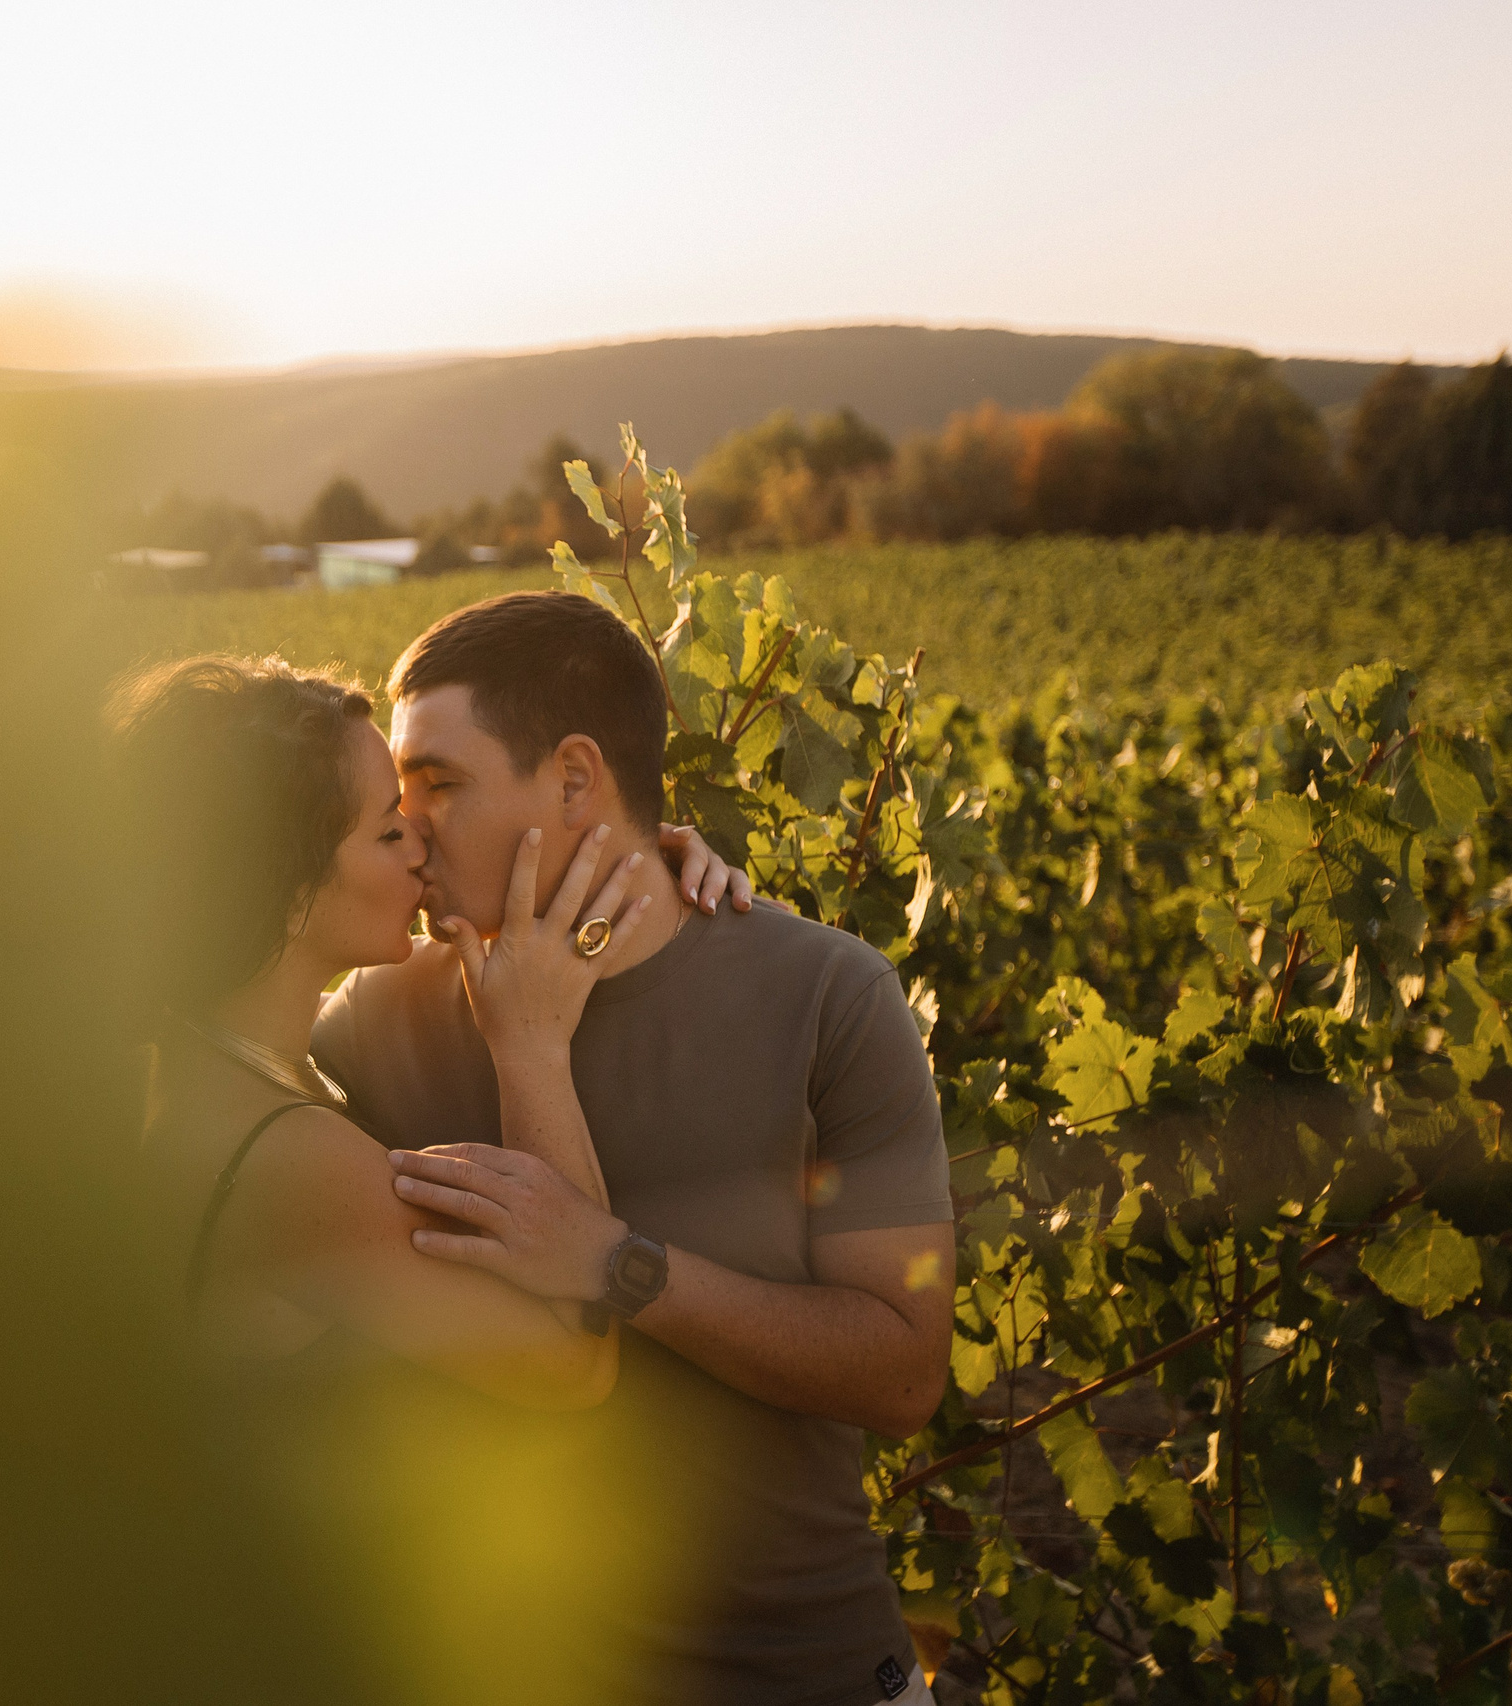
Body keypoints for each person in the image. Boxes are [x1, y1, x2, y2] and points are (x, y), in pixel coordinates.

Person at [312, 591, 958, 1706]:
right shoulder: (372, 1021)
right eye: (398, 799)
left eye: (440, 784)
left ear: (575, 779)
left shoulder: (827, 997)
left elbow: (903, 1370)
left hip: (806, 1674)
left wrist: (621, 1264)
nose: (409, 830)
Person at [109, 653, 755, 1406]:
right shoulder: (288, 1161)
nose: (421, 847)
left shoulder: (197, 1060)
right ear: (285, 888)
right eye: (389, 832)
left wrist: (634, 855)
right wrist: (532, 1048)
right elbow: (575, 1369)